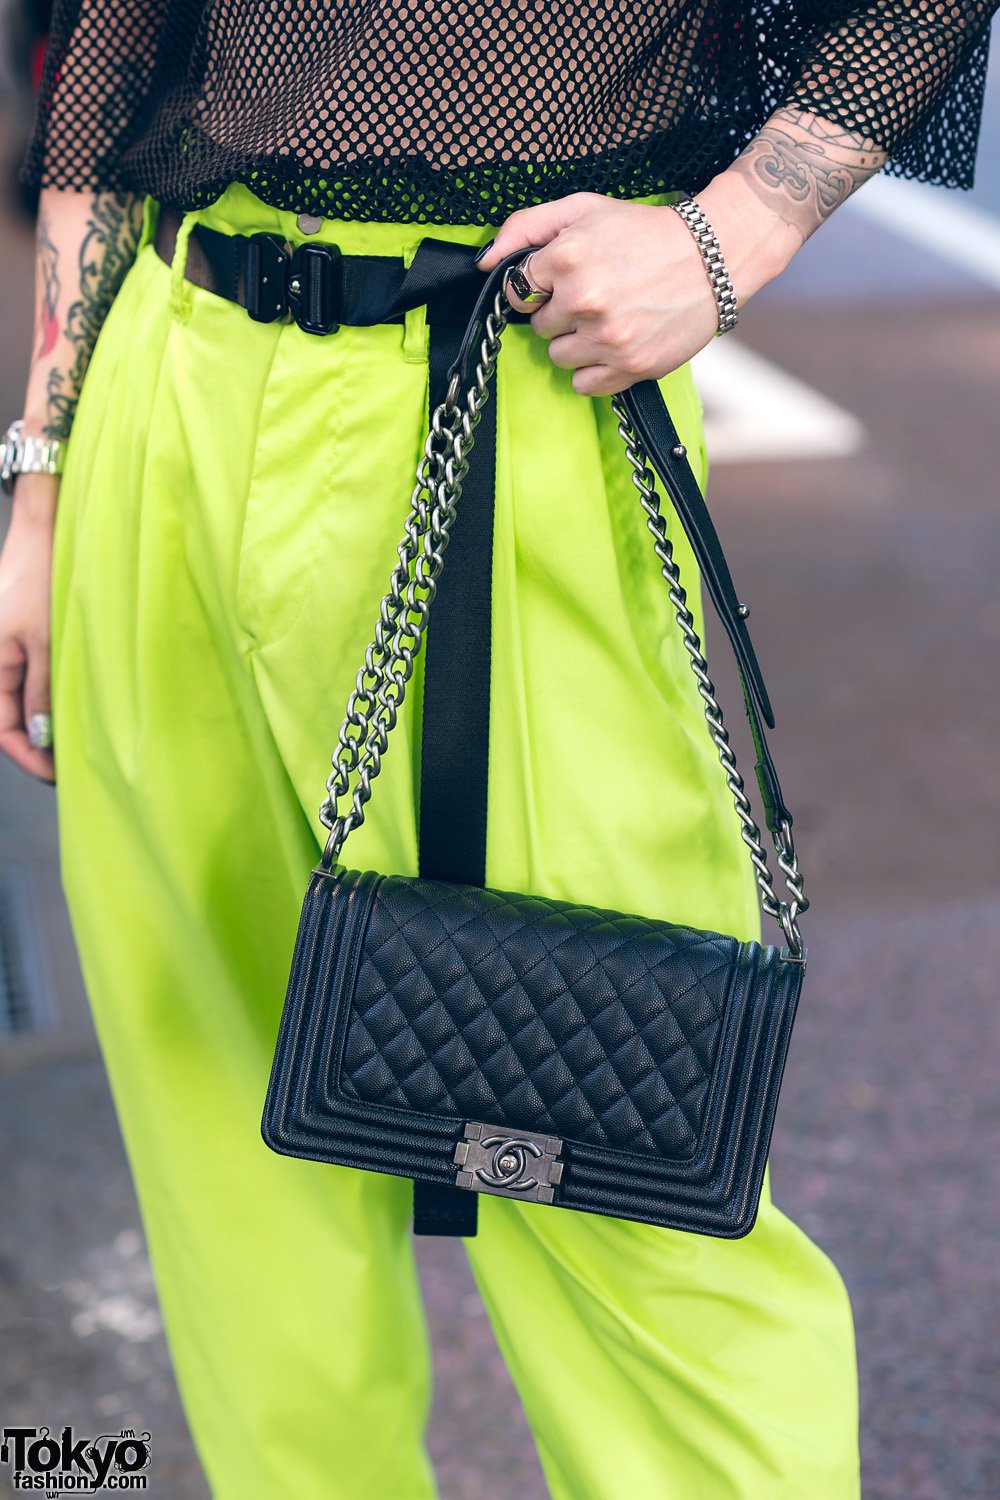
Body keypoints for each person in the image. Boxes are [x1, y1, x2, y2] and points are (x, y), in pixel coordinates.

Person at [1, 3, 995, 1496]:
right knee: (225, 1139)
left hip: (503, 384)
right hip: (168, 365)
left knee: (615, 1148)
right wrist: (45, 469)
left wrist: (730, 233)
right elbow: (114, 46)